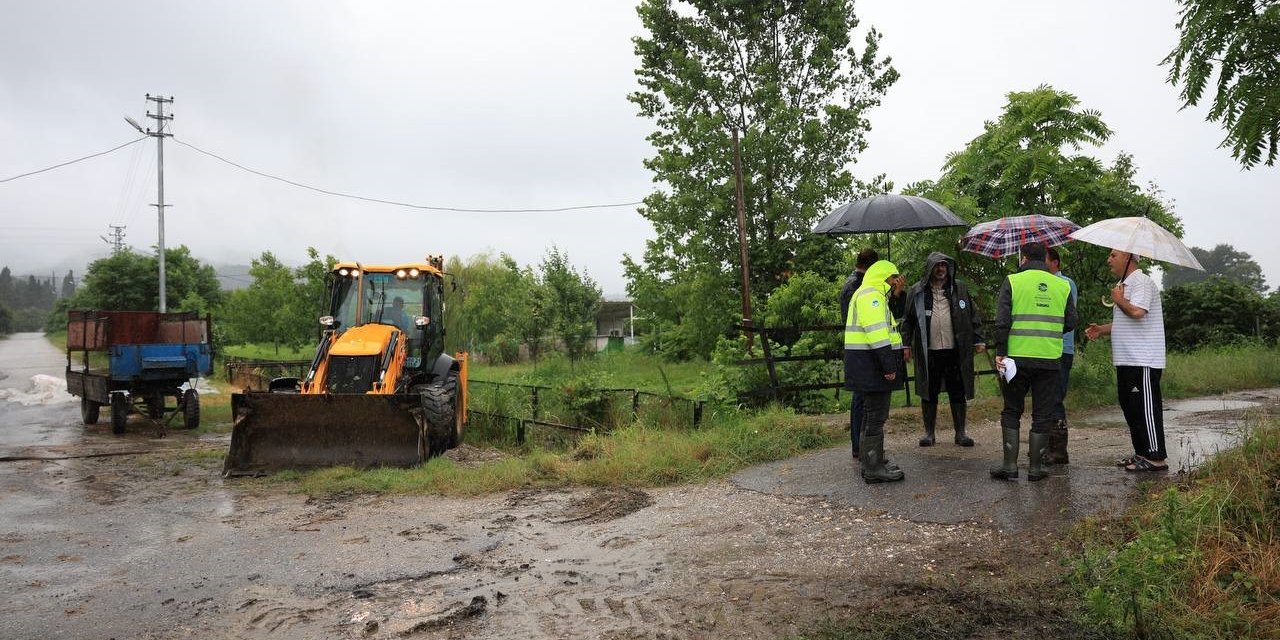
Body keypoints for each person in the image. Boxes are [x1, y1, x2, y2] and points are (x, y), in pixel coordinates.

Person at [990, 243, 1076, 481]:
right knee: (1043, 413)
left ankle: (1010, 466)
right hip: (1049, 358)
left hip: (1016, 359)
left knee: (1012, 410)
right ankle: (1036, 469)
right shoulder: (1063, 285)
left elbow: (1002, 321)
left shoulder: (1013, 281)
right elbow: (1071, 322)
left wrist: (1000, 350)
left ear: (1024, 258)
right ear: (1046, 259)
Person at [1084, 250, 1168, 473]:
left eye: (1113, 255)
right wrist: (1101, 330)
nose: (1108, 259)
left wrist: (1119, 300)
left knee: (1146, 409)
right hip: (1126, 359)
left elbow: (1138, 312)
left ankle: (1156, 457)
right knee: (1131, 407)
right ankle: (1141, 453)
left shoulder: (1141, 282)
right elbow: (1126, 322)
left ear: (1128, 257)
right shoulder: (1125, 285)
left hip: (1143, 359)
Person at [898, 252, 985, 447]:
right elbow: (908, 321)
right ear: (930, 268)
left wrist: (979, 340)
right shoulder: (917, 292)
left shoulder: (960, 288)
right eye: (937, 266)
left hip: (956, 350)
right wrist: (906, 346)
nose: (941, 270)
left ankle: (961, 433)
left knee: (958, 389)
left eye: (944, 266)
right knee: (929, 391)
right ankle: (929, 433)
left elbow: (974, 316)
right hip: (929, 351)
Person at [843, 259, 907, 484]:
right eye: (893, 278)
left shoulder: (871, 294)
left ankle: (872, 460)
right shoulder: (871, 296)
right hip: (871, 366)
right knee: (875, 417)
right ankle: (873, 467)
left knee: (872, 415)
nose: (896, 283)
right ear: (884, 277)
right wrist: (889, 366)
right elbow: (877, 334)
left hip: (866, 365)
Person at [1044, 247, 1077, 464]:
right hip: (1045, 348)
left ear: (1055, 263)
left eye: (1045, 260)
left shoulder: (1066, 283)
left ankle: (1059, 449)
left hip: (1062, 348)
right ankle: (1046, 444)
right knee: (1045, 398)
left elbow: (1067, 316)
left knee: (1056, 397)